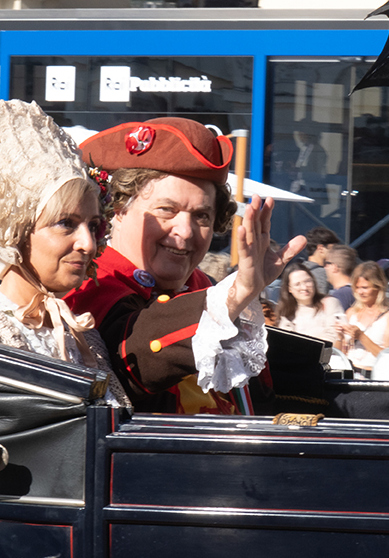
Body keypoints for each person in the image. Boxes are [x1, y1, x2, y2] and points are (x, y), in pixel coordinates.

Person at [66, 117, 305, 414]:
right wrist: (235, 294)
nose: (186, 231)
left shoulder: (203, 287)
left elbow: (258, 404)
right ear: (116, 209)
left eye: (202, 216)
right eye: (167, 210)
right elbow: (134, 355)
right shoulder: (89, 283)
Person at [0, 100, 127, 407]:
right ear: (17, 234)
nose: (87, 243)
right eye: (66, 224)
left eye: (93, 225)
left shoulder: (82, 334)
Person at [337, 261, 389, 375]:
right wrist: (340, 336)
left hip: (374, 374)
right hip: (349, 371)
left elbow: (388, 357)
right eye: (357, 287)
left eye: (365, 287)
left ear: (378, 287)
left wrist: (361, 337)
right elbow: (341, 352)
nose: (360, 292)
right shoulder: (351, 313)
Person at [273, 263, 344, 348]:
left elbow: (332, 338)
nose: (304, 287)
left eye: (307, 281)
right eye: (297, 284)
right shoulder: (286, 313)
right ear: (289, 289)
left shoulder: (330, 303)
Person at [301, 227, 340, 295]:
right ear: (321, 249)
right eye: (332, 249)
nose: (335, 252)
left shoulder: (298, 269)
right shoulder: (322, 273)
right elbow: (322, 300)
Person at [324, 244, 358, 311]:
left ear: (334, 267)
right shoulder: (353, 291)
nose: (324, 267)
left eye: (326, 263)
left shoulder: (341, 295)